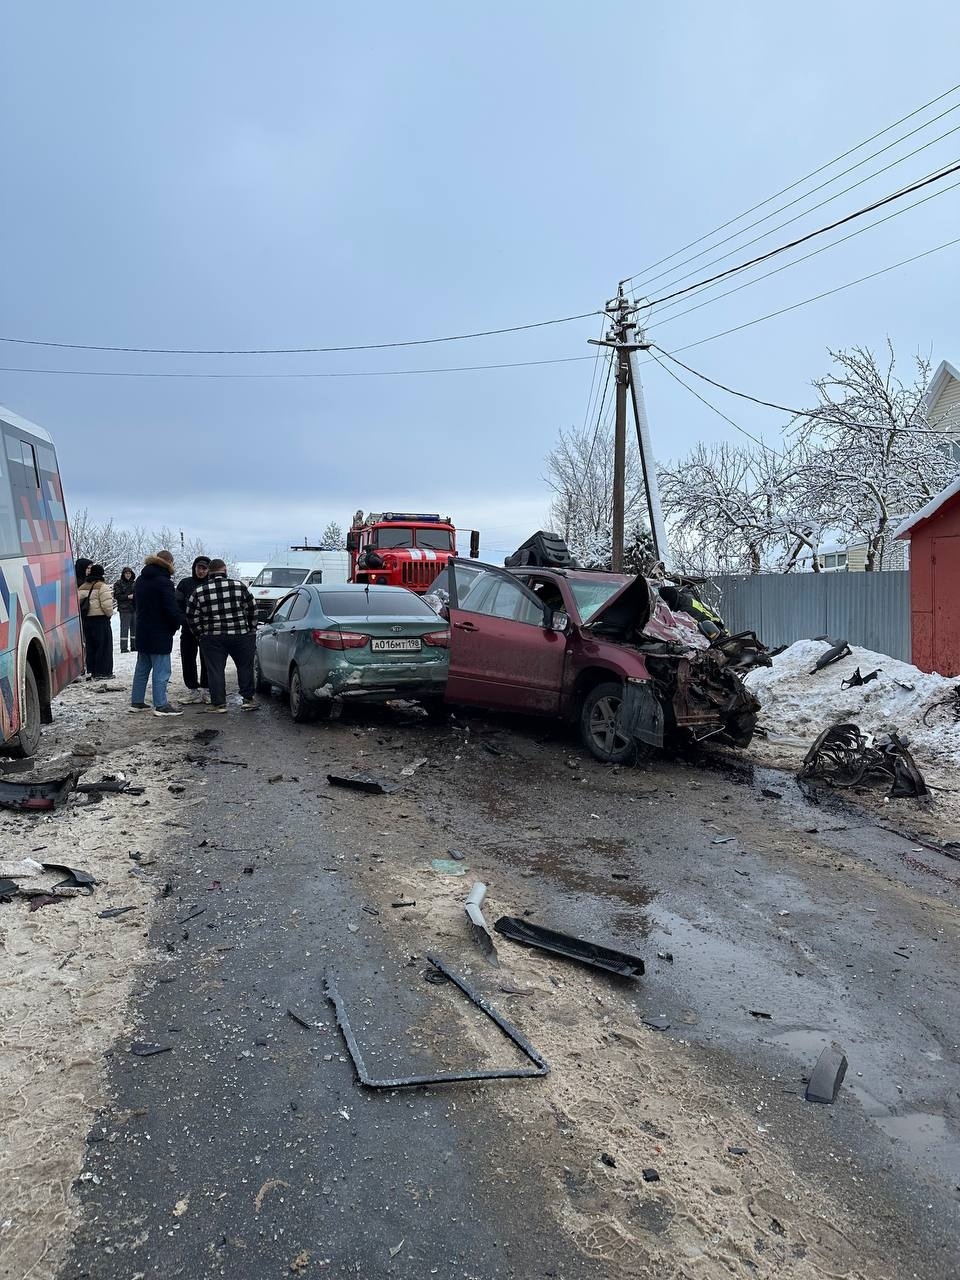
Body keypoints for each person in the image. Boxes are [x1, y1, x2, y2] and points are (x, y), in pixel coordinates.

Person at [185, 559, 258, 713]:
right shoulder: (239, 586)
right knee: (245, 667)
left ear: (209, 572)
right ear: (225, 570)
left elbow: (191, 616)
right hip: (240, 635)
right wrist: (251, 629)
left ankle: (218, 704)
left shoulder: (199, 591)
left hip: (212, 637)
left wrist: (200, 634)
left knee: (215, 670)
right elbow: (252, 609)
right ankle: (248, 699)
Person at [130, 550, 184, 717]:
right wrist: (177, 622)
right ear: (168, 563)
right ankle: (161, 705)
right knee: (162, 670)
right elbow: (170, 608)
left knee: (142, 668)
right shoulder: (164, 582)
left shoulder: (140, 580)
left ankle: (137, 702)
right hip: (159, 632)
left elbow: (135, 604)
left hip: (143, 630)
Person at [174, 556, 211, 704]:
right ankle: (193, 690)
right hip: (188, 629)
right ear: (194, 568)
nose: (201, 571)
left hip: (207, 630)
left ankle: (207, 689)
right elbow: (176, 604)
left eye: (204, 568)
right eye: (199, 568)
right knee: (188, 659)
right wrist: (185, 620)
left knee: (207, 660)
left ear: (208, 570)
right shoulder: (185, 584)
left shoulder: (212, 584)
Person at [78, 564, 114, 678]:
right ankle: (103, 671)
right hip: (100, 619)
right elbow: (107, 605)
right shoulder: (102, 586)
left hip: (87, 620)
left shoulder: (83, 586)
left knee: (91, 646)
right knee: (103, 646)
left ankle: (92, 670)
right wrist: (109, 615)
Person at [113, 567, 137, 653]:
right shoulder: (118, 584)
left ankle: (134, 646)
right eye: (126, 573)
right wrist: (127, 597)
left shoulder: (135, 583)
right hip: (124, 609)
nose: (128, 575)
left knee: (134, 628)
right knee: (124, 629)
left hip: (134, 608)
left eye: (129, 573)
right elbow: (117, 596)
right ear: (123, 574)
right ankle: (123, 648)